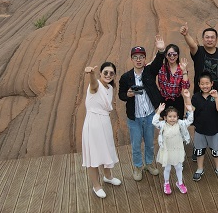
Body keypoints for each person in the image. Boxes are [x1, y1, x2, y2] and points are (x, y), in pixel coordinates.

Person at [180, 24, 218, 159]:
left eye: (212, 37)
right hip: (200, 95)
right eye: (207, 37)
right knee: (198, 121)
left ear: (216, 39)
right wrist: (186, 34)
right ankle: (198, 148)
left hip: (217, 94)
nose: (210, 39)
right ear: (203, 39)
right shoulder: (199, 52)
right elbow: (192, 45)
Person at [118, 35, 166, 181]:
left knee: (150, 144)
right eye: (135, 57)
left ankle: (149, 164)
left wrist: (161, 50)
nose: (138, 60)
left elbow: (158, 62)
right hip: (134, 118)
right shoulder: (126, 77)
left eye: (141, 57)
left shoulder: (149, 71)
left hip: (150, 115)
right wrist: (127, 94)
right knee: (136, 145)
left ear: (145, 59)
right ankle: (138, 167)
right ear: (131, 59)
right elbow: (121, 94)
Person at [81, 62, 122, 198]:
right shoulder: (95, 85)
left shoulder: (109, 88)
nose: (108, 75)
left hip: (105, 123)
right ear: (100, 73)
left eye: (111, 73)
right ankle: (96, 186)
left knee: (107, 150)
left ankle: (108, 177)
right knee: (93, 155)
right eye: (105, 72)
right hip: (93, 124)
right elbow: (93, 84)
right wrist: (91, 74)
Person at [152, 91, 194, 194]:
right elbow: (154, 122)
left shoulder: (180, 124)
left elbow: (189, 121)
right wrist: (158, 111)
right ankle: (166, 183)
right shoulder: (162, 125)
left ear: (177, 117)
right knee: (167, 168)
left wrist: (190, 111)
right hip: (167, 150)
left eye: (174, 116)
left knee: (179, 167)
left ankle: (180, 183)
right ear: (165, 118)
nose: (172, 119)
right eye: (170, 116)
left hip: (177, 150)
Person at [191, 72, 218, 181]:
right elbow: (191, 110)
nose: (205, 86)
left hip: (214, 129)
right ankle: (200, 168)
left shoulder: (217, 95)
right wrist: (187, 98)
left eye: (207, 83)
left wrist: (216, 98)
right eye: (202, 84)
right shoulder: (196, 97)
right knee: (199, 151)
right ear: (199, 85)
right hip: (200, 130)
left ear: (212, 83)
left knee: (216, 151)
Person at [156, 43, 190, 115]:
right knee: (164, 121)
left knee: (178, 121)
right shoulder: (161, 67)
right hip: (164, 101)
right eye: (169, 54)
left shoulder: (181, 68)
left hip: (177, 101)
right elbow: (149, 68)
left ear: (177, 55)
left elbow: (186, 87)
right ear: (166, 55)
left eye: (174, 54)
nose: (172, 56)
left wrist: (184, 71)